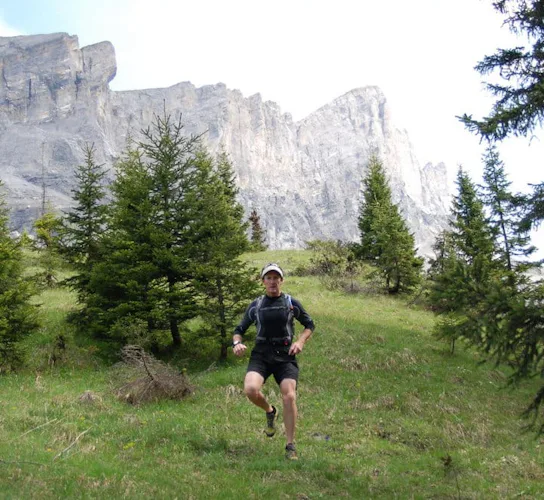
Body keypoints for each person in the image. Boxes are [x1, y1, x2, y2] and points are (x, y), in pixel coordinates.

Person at [232, 262, 315, 460]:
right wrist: (236, 344)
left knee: (289, 396)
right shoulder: (256, 305)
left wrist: (301, 342)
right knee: (251, 390)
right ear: (263, 282)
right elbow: (239, 330)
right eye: (268, 278)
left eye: (276, 278)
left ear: (281, 281)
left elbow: (309, 325)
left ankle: (290, 445)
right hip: (261, 353)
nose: (272, 282)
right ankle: (270, 411)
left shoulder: (290, 303)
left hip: (285, 355)